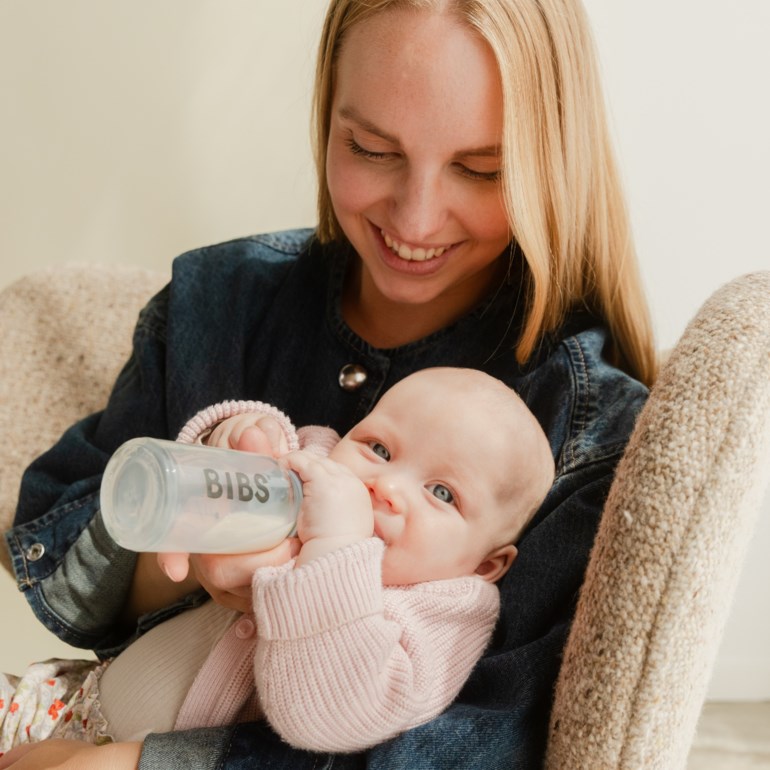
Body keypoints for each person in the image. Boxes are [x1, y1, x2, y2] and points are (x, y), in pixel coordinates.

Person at [1, 0, 656, 767]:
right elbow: (54, 544)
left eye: (481, 169)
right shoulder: (220, 300)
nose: (415, 219)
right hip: (63, 701)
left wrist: (127, 762)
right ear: (326, 119)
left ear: (551, 161)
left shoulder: (584, 428)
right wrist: (203, 502)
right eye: (373, 149)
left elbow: (477, 746)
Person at [0, 367, 555, 755]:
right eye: (380, 449)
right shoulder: (321, 469)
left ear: (486, 565)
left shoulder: (447, 609)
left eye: (441, 493)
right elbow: (264, 451)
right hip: (64, 700)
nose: (385, 486)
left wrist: (336, 548)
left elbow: (338, 714)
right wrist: (235, 434)